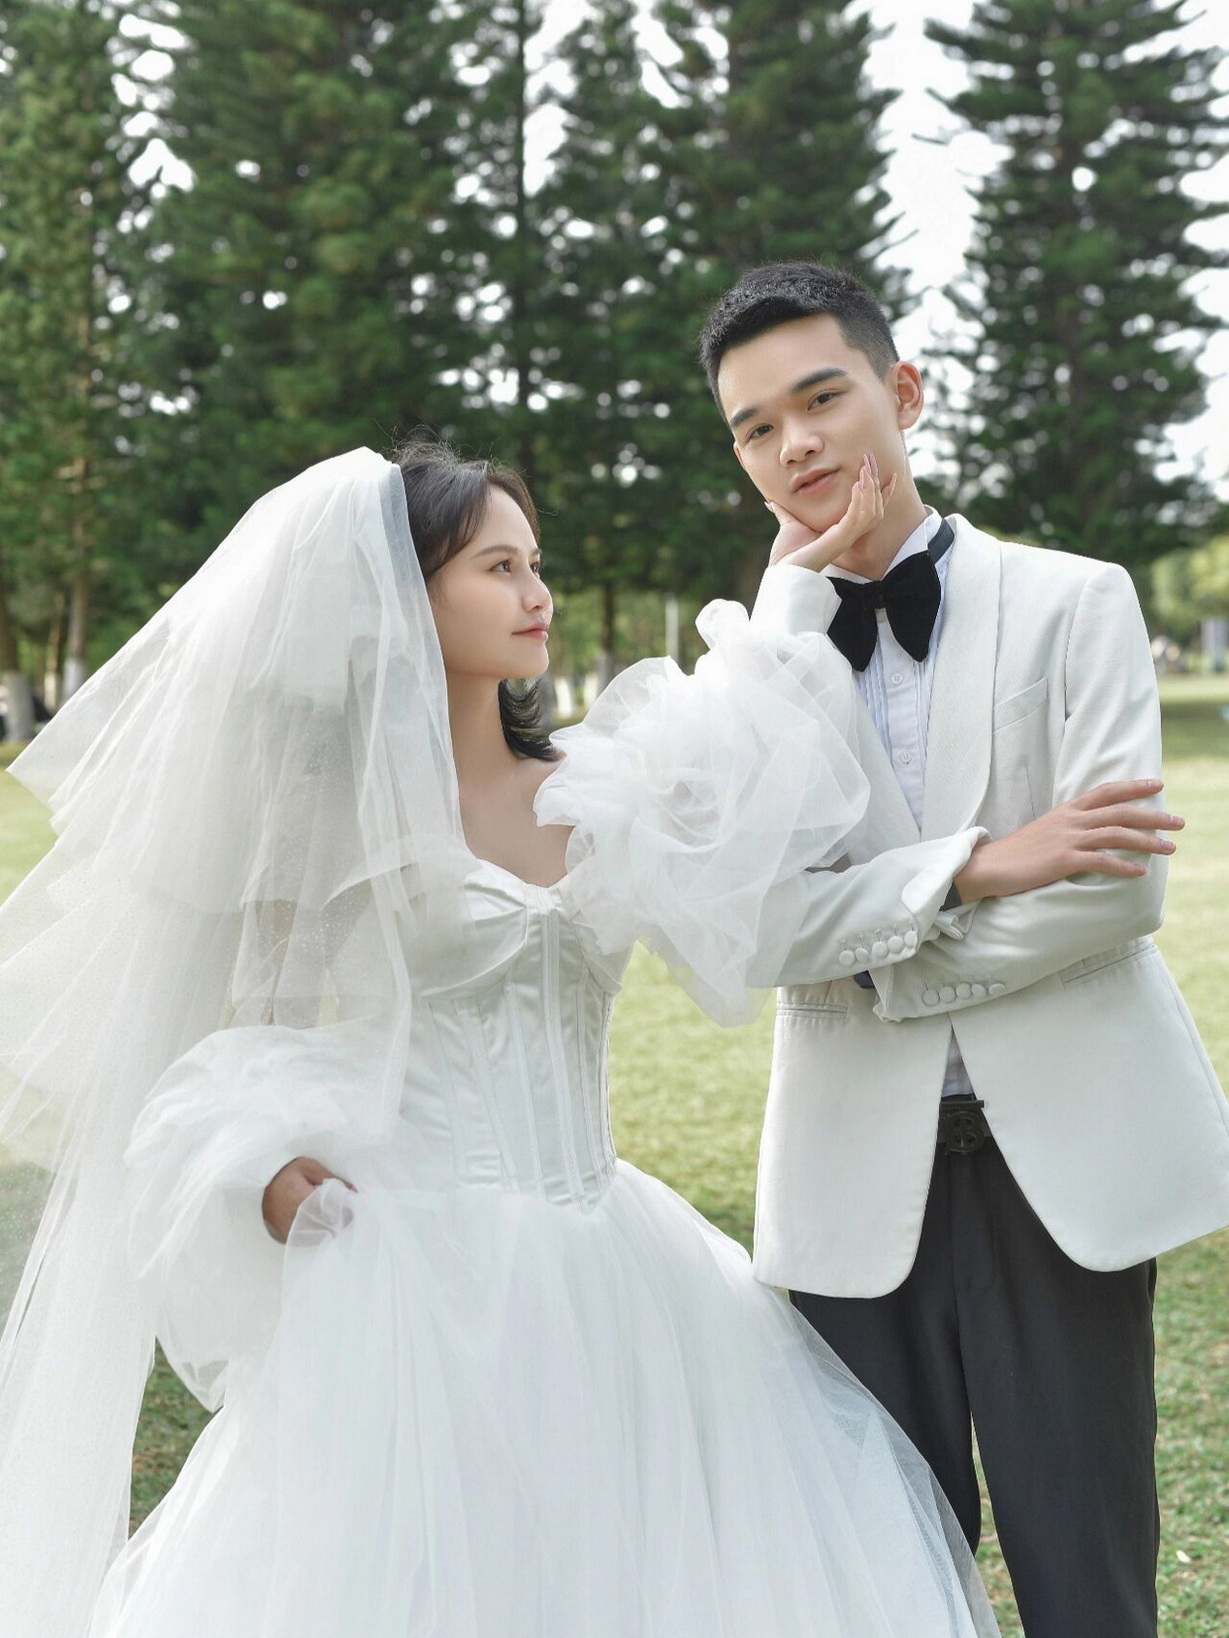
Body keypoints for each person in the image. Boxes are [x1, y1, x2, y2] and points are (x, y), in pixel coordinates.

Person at [0, 443, 1175, 1638]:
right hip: (413, 1278)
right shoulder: (322, 827)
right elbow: (235, 1040)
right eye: (498, 568)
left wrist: (802, 612)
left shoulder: (594, 787)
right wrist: (265, 1171)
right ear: (401, 595)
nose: (537, 594)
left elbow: (752, 800)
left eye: (536, 563)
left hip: (618, 1263)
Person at [698, 260, 1229, 1638]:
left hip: (1063, 1159)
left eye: (821, 398)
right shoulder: (746, 666)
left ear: (904, 390)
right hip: (845, 1173)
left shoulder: (1076, 599)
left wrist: (867, 951)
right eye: (756, 427)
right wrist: (976, 869)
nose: (794, 443)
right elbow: (748, 929)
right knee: (878, 1584)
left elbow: (1113, 893)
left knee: (1087, 1572)